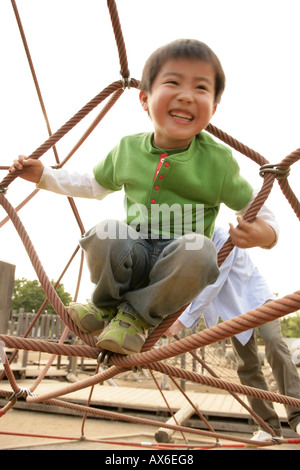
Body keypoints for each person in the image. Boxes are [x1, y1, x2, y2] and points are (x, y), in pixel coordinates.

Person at [9, 39, 277, 357]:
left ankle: (136, 318)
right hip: (133, 255)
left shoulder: (218, 162)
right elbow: (93, 184)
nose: (187, 95)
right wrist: (44, 175)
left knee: (203, 251)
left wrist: (266, 234)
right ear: (145, 99)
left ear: (214, 109)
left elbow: (258, 206)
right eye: (173, 82)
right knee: (104, 232)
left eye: (201, 88)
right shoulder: (128, 149)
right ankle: (104, 305)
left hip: (175, 266)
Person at [165, 225, 300, 441]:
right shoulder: (185, 244)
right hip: (232, 311)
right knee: (247, 365)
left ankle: (298, 414)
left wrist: (182, 322)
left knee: (275, 344)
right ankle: (268, 426)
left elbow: (213, 282)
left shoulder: (221, 236)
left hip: (256, 296)